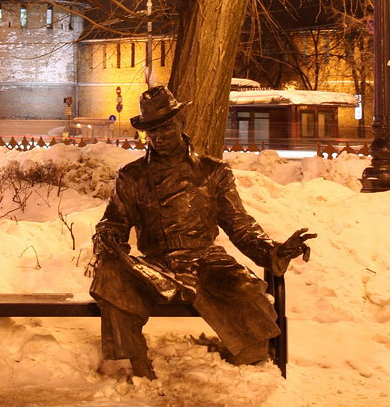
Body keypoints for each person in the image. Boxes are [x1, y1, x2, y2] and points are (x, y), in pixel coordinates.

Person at [89, 86, 316, 378]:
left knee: (246, 292)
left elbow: (240, 225)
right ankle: (134, 364)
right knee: (112, 274)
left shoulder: (213, 171)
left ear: (181, 123)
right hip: (157, 265)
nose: (159, 136)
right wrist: (107, 238)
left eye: (166, 127)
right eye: (152, 131)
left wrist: (273, 250)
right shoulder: (132, 176)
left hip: (206, 262)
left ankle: (250, 364)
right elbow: (114, 221)